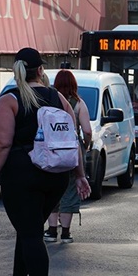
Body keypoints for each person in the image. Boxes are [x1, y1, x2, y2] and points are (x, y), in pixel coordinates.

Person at [0, 48, 91, 276]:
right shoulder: (59, 98)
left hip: (22, 175)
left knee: (30, 233)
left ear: (16, 70)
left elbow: (3, 144)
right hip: (56, 176)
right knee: (28, 229)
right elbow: (72, 140)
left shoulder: (9, 100)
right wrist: (80, 175)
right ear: (41, 70)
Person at [44, 70, 93, 244]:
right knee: (71, 188)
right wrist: (85, 145)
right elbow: (87, 130)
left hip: (51, 150)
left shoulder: (49, 101)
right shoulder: (79, 104)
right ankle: (65, 233)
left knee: (51, 188)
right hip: (72, 150)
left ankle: (50, 231)